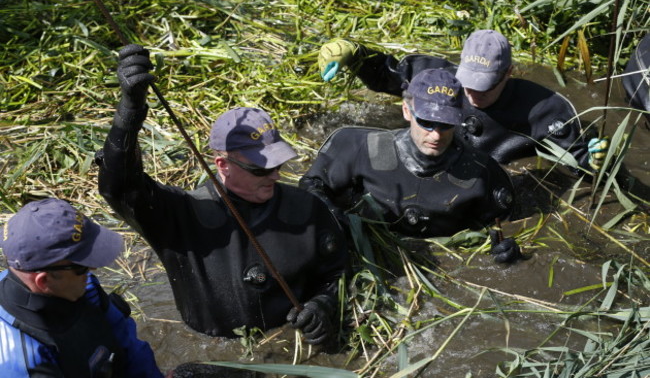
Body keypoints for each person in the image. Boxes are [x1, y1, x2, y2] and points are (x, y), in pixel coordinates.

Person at [95, 44, 348, 345]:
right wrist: (129, 113)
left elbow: (338, 271)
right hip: (213, 344)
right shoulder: (182, 218)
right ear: (222, 165)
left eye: (279, 164)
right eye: (262, 169)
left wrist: (323, 306)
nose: (275, 176)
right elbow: (120, 188)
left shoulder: (307, 210)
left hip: (286, 342)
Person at [317, 29, 609, 174]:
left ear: (509, 72)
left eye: (486, 86)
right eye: (468, 83)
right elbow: (385, 73)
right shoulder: (437, 77)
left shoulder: (544, 108)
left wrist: (596, 161)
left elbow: (579, 160)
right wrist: (353, 54)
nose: (473, 95)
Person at [299, 68, 516, 249]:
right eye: (426, 122)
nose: (436, 134)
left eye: (446, 124)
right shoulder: (362, 148)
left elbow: (506, 227)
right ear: (406, 111)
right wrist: (333, 217)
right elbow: (311, 186)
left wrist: (507, 251)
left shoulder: (480, 173)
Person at [0, 198, 163, 378]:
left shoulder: (82, 285)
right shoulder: (22, 363)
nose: (92, 269)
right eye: (81, 266)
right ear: (44, 281)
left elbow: (128, 344)